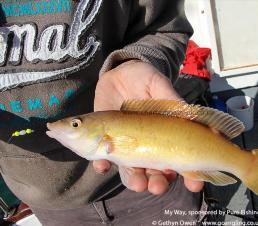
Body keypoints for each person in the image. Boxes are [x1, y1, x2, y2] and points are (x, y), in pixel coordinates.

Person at [0, 0, 204, 225]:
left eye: (76, 124)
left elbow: (163, 26)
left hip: (153, 185)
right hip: (46, 200)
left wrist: (136, 60)